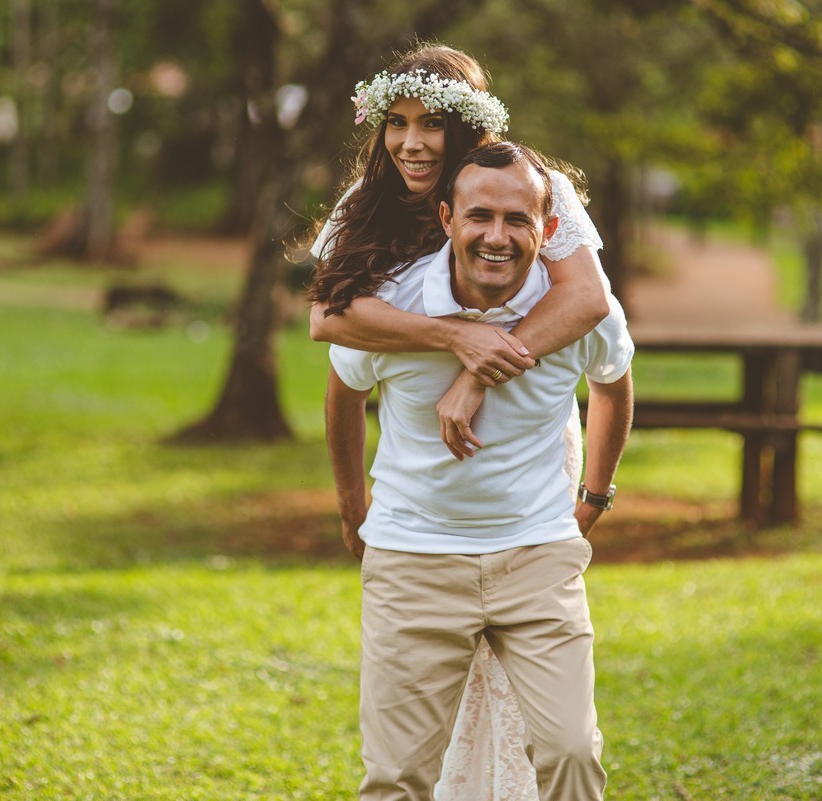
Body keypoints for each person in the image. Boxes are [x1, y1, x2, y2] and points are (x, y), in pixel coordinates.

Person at [308, 44, 618, 800]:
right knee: (403, 755)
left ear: (469, 128)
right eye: (397, 122)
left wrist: (478, 374)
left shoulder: (533, 189)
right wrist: (455, 338)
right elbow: (328, 321)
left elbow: (586, 301)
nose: (411, 143)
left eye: (432, 124)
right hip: (420, 511)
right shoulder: (365, 203)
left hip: (527, 470)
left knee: (560, 738)